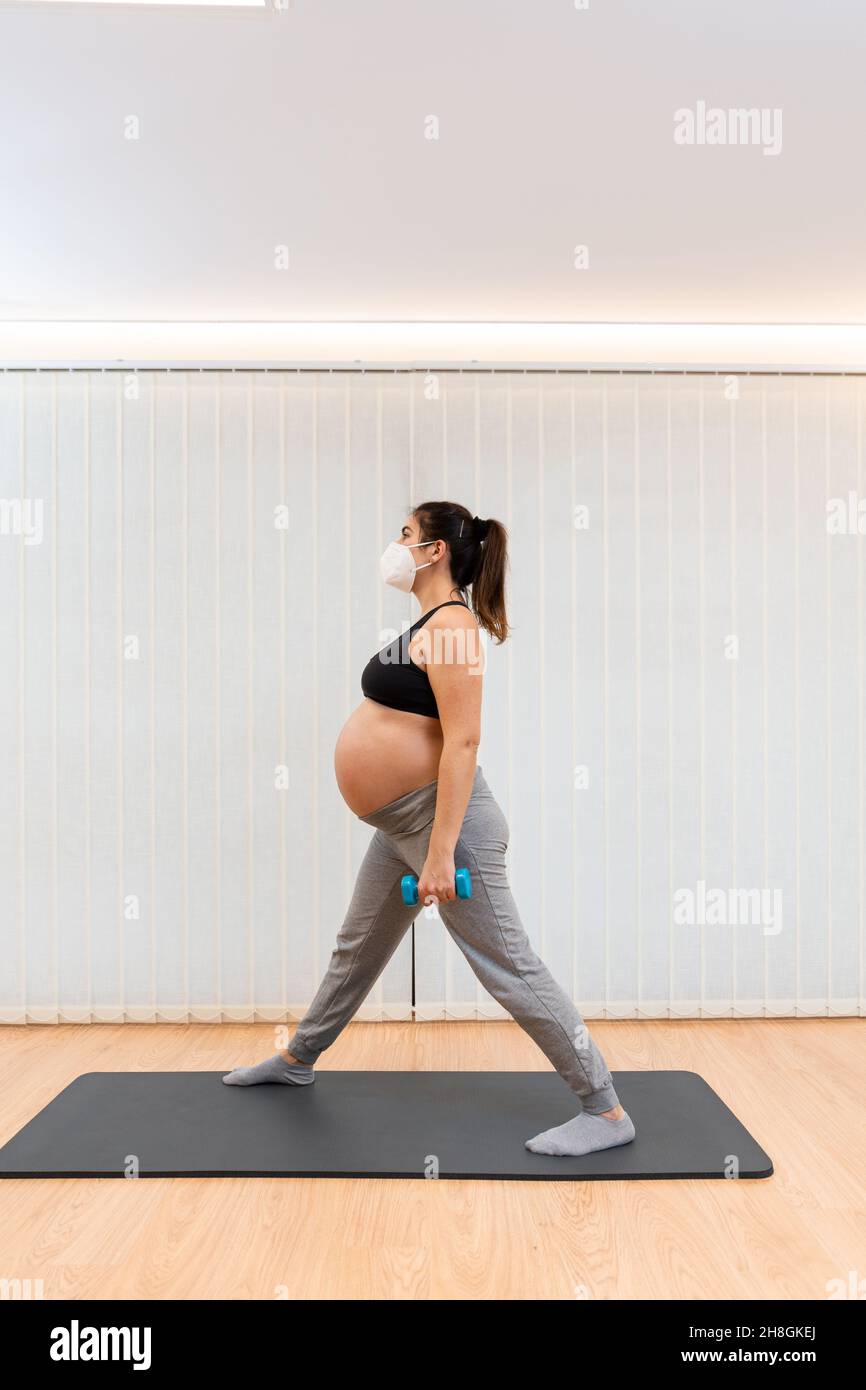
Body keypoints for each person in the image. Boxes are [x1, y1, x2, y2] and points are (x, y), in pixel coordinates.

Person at [224, 501, 635, 1157]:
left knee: (507, 964)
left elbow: (464, 741)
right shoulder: (429, 623)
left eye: (407, 534)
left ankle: (605, 1110)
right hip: (403, 822)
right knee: (358, 945)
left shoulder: (451, 625)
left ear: (436, 550)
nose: (397, 544)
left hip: (445, 823)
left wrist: (441, 852)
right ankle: (299, 1057)